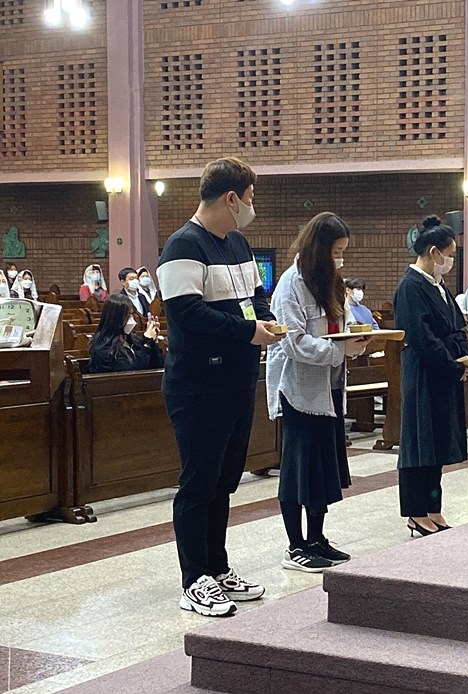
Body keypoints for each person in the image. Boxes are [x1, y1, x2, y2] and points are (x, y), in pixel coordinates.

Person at [157, 156, 282, 617]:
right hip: (198, 385)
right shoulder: (182, 245)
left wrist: (267, 321)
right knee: (199, 483)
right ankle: (195, 579)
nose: (252, 205)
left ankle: (218, 568)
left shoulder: (238, 242)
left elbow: (254, 297)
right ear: (231, 198)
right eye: (250, 197)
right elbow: (187, 313)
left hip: (237, 379)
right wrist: (248, 332)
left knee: (225, 481)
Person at [266, 212, 365, 573]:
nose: (340, 258)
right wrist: (339, 350)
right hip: (300, 390)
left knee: (322, 469)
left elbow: (344, 321)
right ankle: (295, 546)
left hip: (331, 386)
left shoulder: (331, 281)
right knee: (299, 469)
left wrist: (357, 339)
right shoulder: (291, 284)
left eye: (343, 252)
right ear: (318, 248)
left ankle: (317, 538)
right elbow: (292, 341)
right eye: (336, 251)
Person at [394, 216, 468, 536]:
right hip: (424, 374)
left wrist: (464, 358)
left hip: (444, 373)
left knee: (437, 445)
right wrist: (453, 365)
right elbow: (423, 338)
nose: (451, 261)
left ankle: (433, 508)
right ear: (433, 252)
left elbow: (456, 326)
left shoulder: (439, 286)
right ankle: (415, 512)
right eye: (450, 254)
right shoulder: (410, 287)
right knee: (420, 445)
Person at [87, 294, 163, 373]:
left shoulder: (135, 341)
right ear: (116, 319)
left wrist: (153, 343)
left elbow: (158, 365)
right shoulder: (102, 349)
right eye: (128, 316)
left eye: (132, 315)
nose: (132, 320)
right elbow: (133, 371)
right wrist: (147, 340)